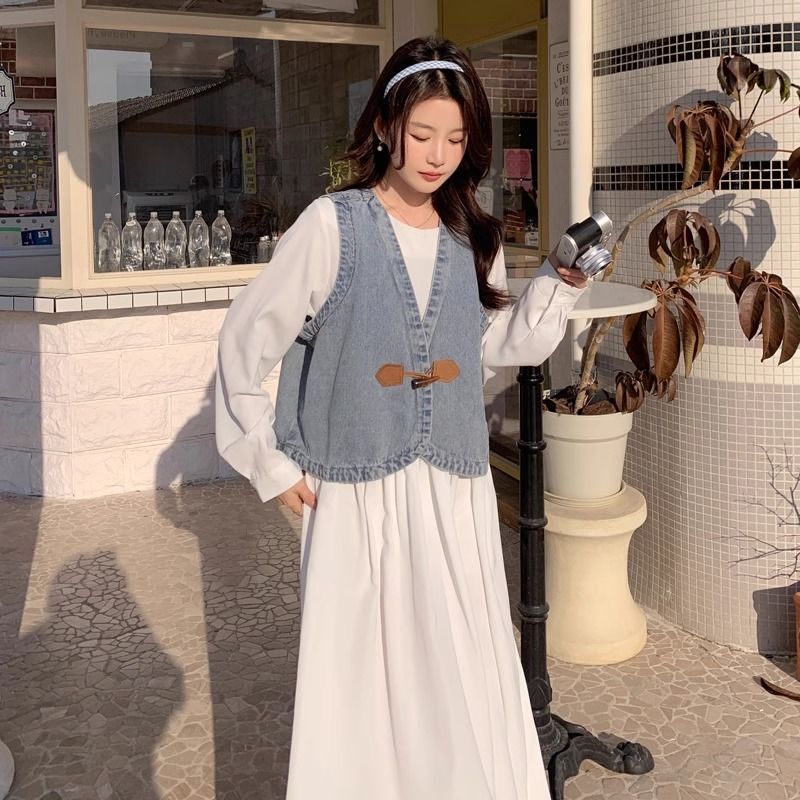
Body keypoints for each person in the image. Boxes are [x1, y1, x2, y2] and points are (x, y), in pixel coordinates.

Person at [215, 36, 587, 800]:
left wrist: (556, 286)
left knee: (459, 664)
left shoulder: (472, 236)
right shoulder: (331, 226)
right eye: (422, 134)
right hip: (357, 492)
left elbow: (485, 352)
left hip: (453, 489)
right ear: (386, 125)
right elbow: (245, 341)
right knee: (361, 685)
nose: (438, 155)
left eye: (455, 138)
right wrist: (269, 462)